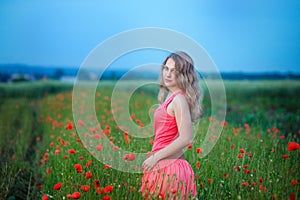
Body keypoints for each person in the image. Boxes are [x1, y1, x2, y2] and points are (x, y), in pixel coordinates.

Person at [141, 51, 202, 199]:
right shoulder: (171, 96)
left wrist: (155, 158)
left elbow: (186, 138)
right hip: (163, 166)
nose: (168, 74)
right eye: (166, 68)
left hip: (171, 169)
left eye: (174, 71)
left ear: (183, 75)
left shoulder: (179, 100)